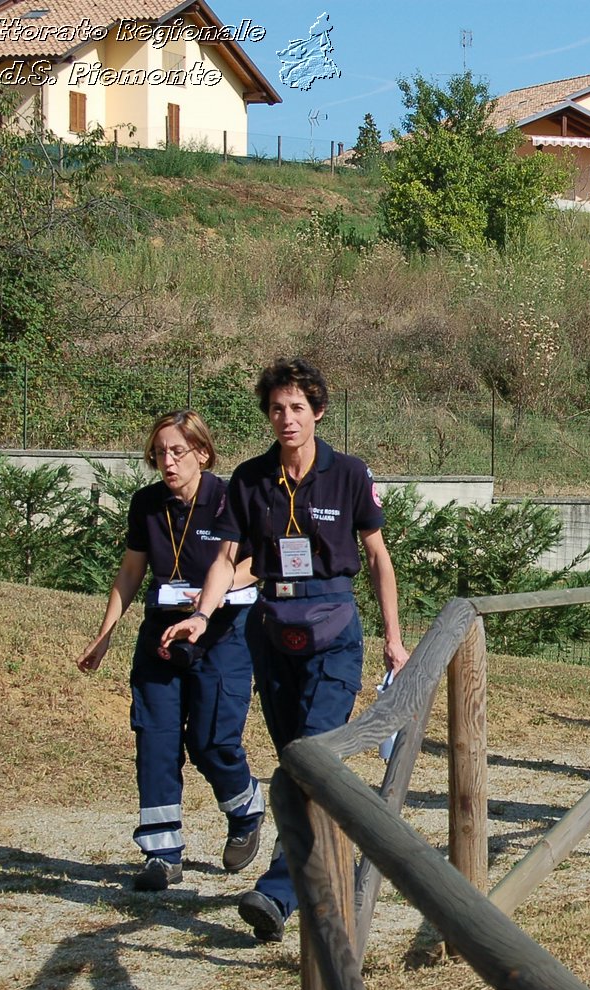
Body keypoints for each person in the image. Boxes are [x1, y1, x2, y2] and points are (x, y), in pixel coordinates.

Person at [162, 358, 410, 943]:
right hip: (271, 628)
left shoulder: (348, 474)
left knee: (312, 761)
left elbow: (377, 558)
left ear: (318, 412)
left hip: (334, 630)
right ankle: (329, 863)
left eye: (298, 407)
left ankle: (278, 890)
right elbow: (226, 561)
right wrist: (202, 614)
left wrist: (393, 638)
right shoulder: (249, 479)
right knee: (297, 762)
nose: (287, 418)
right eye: (277, 408)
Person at [77, 410, 264, 892]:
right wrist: (105, 634)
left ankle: (245, 810)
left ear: (202, 452)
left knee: (211, 741)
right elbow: (130, 572)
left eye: (177, 451)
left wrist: (208, 599)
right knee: (155, 737)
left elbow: (256, 564)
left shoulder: (229, 498)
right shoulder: (146, 504)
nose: (167, 461)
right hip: (161, 634)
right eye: (159, 452)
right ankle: (162, 852)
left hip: (219, 634)